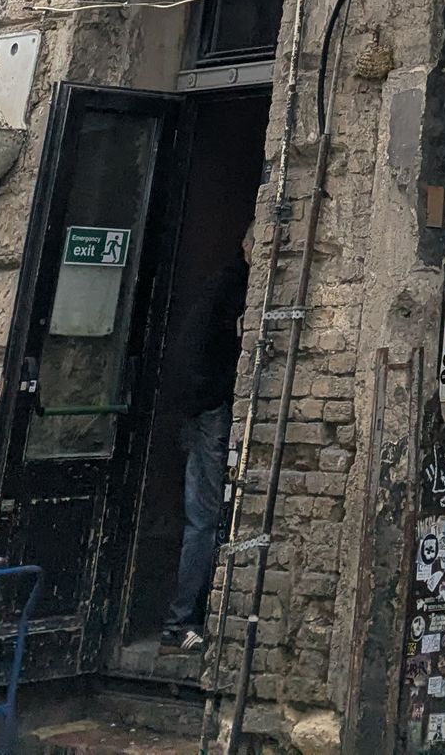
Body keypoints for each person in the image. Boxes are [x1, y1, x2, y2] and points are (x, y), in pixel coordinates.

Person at [160, 229, 251, 654]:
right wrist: (212, 400)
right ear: (249, 245)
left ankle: (186, 619)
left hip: (201, 406)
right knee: (207, 517)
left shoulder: (226, 284)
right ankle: (182, 623)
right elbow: (200, 350)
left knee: (207, 516)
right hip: (208, 409)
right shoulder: (232, 288)